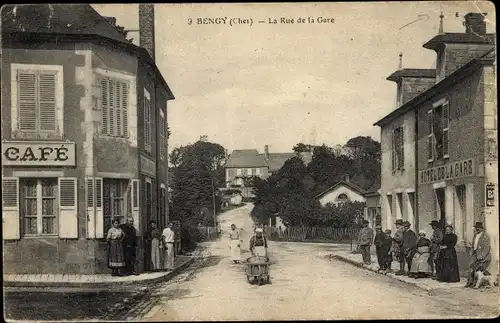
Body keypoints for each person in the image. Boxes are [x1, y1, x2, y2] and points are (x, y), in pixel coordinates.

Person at [465, 222, 491, 288]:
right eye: (476, 228)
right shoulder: (475, 235)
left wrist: (482, 256)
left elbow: (487, 248)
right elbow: (473, 244)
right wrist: (471, 251)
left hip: (482, 256)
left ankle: (475, 283)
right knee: (470, 267)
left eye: (478, 228)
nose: (477, 229)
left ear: (482, 229)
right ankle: (469, 282)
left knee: (477, 269)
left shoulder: (485, 236)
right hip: (475, 254)